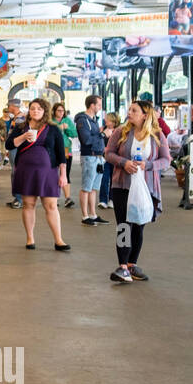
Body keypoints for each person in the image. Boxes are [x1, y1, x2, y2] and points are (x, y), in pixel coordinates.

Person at [103, 99, 173, 283]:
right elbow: (108, 153)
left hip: (146, 187)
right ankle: (122, 266)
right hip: (122, 186)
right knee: (124, 225)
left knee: (139, 225)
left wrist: (148, 165)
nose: (129, 113)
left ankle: (132, 264)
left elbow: (166, 160)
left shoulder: (157, 135)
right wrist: (123, 163)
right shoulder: (121, 131)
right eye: (129, 110)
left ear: (145, 114)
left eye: (134, 110)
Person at [6, 98, 70, 251]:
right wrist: (23, 137)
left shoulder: (53, 129)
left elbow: (61, 154)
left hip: (48, 172)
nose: (35, 111)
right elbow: (9, 144)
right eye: (33, 108)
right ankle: (30, 238)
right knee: (28, 204)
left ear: (45, 111)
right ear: (29, 110)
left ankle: (59, 239)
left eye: (39, 109)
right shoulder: (21, 127)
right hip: (26, 171)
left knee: (51, 205)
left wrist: (63, 175)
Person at [75, 95, 109, 226]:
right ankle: (85, 216)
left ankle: (93, 214)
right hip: (89, 156)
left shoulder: (93, 120)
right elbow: (86, 140)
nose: (100, 107)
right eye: (99, 104)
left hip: (98, 157)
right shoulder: (83, 120)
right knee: (86, 188)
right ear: (92, 105)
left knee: (94, 188)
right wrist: (103, 134)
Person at [52, 102, 77, 208]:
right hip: (52, 150)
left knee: (65, 173)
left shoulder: (68, 120)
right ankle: (54, 198)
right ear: (54, 111)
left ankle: (67, 198)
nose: (61, 112)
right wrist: (59, 127)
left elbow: (74, 133)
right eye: (59, 110)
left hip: (66, 150)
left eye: (63, 111)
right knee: (53, 174)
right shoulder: (50, 121)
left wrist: (67, 128)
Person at [2, 99, 25, 207]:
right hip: (13, 147)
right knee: (15, 172)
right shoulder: (16, 118)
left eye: (9, 106)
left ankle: (19, 199)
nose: (8, 108)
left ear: (13, 106)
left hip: (16, 148)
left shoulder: (20, 118)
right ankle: (17, 198)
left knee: (16, 172)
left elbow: (17, 136)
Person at [99, 112, 120, 209]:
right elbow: (99, 141)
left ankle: (112, 199)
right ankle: (103, 200)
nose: (105, 120)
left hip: (115, 158)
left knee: (114, 179)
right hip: (105, 158)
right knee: (104, 178)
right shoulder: (102, 129)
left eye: (108, 119)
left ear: (113, 121)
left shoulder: (119, 130)